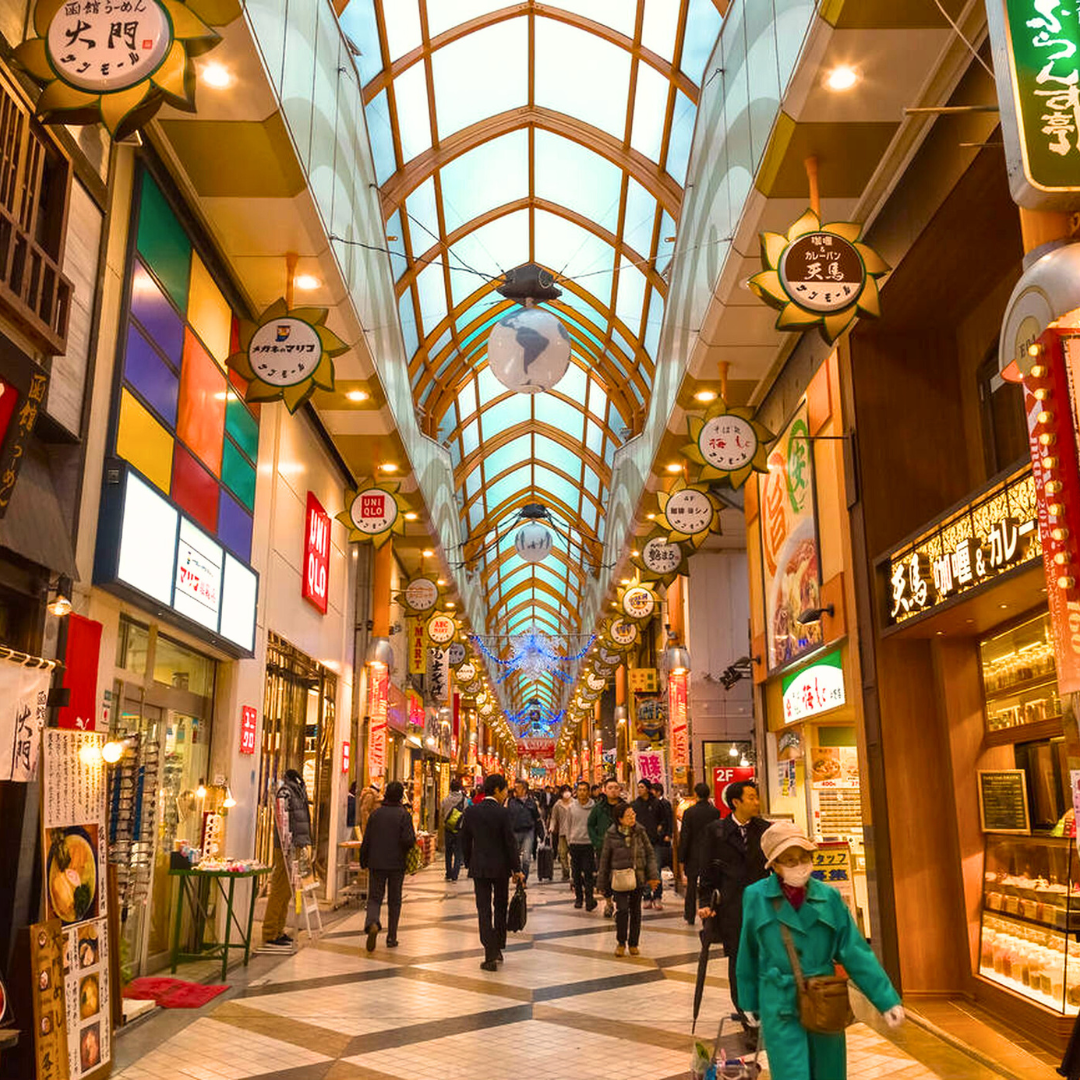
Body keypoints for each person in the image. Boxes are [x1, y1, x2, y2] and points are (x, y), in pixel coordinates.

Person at [738, 822, 904, 1079]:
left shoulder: (829, 897)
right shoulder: (756, 896)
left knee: (829, 1070)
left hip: (825, 996)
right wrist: (748, 999)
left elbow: (855, 950)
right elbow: (748, 951)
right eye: (790, 859)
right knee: (790, 1072)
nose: (799, 865)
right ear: (775, 865)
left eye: (804, 857)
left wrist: (886, 999)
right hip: (779, 999)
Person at [697, 780, 771, 1025]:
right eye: (751, 797)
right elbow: (706, 870)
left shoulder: (765, 830)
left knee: (764, 956)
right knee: (739, 960)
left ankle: (763, 1012)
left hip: (763, 906)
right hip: (732, 908)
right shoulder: (716, 831)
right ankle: (745, 1015)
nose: (756, 802)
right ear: (736, 802)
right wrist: (705, 901)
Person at [460, 773, 524, 971]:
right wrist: (517, 869)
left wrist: (470, 862)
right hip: (501, 868)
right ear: (497, 790)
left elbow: (465, 840)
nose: (507, 794)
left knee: (484, 909)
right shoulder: (503, 814)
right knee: (500, 907)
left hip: (479, 867)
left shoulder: (471, 812)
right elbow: (510, 843)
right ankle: (497, 947)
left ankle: (489, 952)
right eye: (505, 790)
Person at [359, 780, 415, 952]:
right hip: (397, 864)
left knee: (375, 898)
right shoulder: (404, 815)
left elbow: (366, 840)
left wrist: (364, 860)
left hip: (377, 862)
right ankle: (392, 937)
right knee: (394, 900)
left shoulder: (376, 814)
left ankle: (373, 922)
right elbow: (408, 840)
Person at [597, 802, 659, 957]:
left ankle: (633, 943)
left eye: (633, 814)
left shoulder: (639, 832)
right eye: (629, 815)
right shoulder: (611, 835)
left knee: (636, 911)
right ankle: (621, 942)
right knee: (623, 910)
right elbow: (604, 860)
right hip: (619, 878)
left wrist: (653, 876)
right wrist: (602, 882)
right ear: (620, 819)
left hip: (638, 877)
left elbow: (650, 854)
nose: (633, 817)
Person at [262, 768, 312, 948]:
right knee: (280, 888)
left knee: (287, 890)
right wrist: (287, 843)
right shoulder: (286, 792)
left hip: (295, 845)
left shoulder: (298, 791)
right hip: (284, 846)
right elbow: (283, 820)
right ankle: (269, 932)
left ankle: (279, 930)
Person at [679, 782, 720, 925]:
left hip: (693, 853)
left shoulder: (689, 813)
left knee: (691, 885)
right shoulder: (715, 812)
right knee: (708, 884)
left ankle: (689, 914)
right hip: (710, 852)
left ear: (696, 794)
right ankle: (709, 911)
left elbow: (685, 835)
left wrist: (681, 857)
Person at [589, 777, 623, 917]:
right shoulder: (598, 808)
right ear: (605, 790)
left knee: (621, 877)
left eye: (616, 787)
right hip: (603, 848)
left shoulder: (625, 807)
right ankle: (609, 903)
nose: (613, 790)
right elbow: (590, 825)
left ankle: (620, 905)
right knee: (605, 877)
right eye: (610, 788)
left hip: (622, 849)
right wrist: (597, 841)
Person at [632, 780, 668, 910]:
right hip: (640, 842)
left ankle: (657, 896)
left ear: (648, 788)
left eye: (642, 787)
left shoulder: (657, 803)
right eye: (638, 787)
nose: (639, 789)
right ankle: (646, 896)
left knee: (656, 869)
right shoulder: (635, 805)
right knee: (643, 870)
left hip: (655, 842)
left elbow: (665, 820)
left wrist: (662, 831)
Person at [566, 780, 598, 910]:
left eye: (585, 790)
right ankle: (579, 898)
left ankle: (589, 898)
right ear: (576, 792)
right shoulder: (571, 807)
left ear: (589, 792)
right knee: (576, 873)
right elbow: (568, 825)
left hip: (588, 844)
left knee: (588, 872)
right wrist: (569, 841)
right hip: (575, 843)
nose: (582, 792)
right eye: (580, 790)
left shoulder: (594, 807)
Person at [508, 779, 544, 881]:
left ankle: (523, 880)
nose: (516, 790)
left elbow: (537, 819)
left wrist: (541, 833)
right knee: (514, 856)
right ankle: (516, 874)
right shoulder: (511, 802)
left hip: (528, 831)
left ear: (524, 790)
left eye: (518, 787)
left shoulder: (531, 803)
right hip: (515, 831)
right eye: (515, 787)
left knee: (526, 858)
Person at [439, 779, 470, 882]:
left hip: (448, 829)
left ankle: (448, 873)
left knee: (448, 852)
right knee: (458, 852)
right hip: (459, 829)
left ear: (450, 788)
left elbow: (441, 813)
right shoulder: (464, 800)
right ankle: (455, 875)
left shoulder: (445, 800)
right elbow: (466, 814)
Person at [549, 785, 574, 881]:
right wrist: (551, 827)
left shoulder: (575, 803)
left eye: (568, 790)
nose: (567, 793)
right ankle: (566, 871)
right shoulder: (557, 805)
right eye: (565, 791)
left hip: (573, 832)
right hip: (562, 832)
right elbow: (553, 818)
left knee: (572, 855)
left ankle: (573, 873)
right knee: (562, 854)